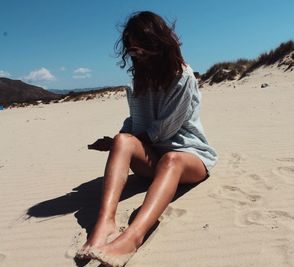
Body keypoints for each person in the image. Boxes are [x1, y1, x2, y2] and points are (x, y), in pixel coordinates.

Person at [76, 11, 218, 267]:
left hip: (189, 157)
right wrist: (116, 142)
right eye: (133, 52)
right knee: (122, 139)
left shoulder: (183, 77)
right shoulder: (140, 78)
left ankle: (132, 237)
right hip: (154, 158)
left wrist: (132, 139)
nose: (137, 57)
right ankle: (104, 222)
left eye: (141, 51)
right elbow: (136, 124)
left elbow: (162, 131)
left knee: (171, 160)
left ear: (158, 44)